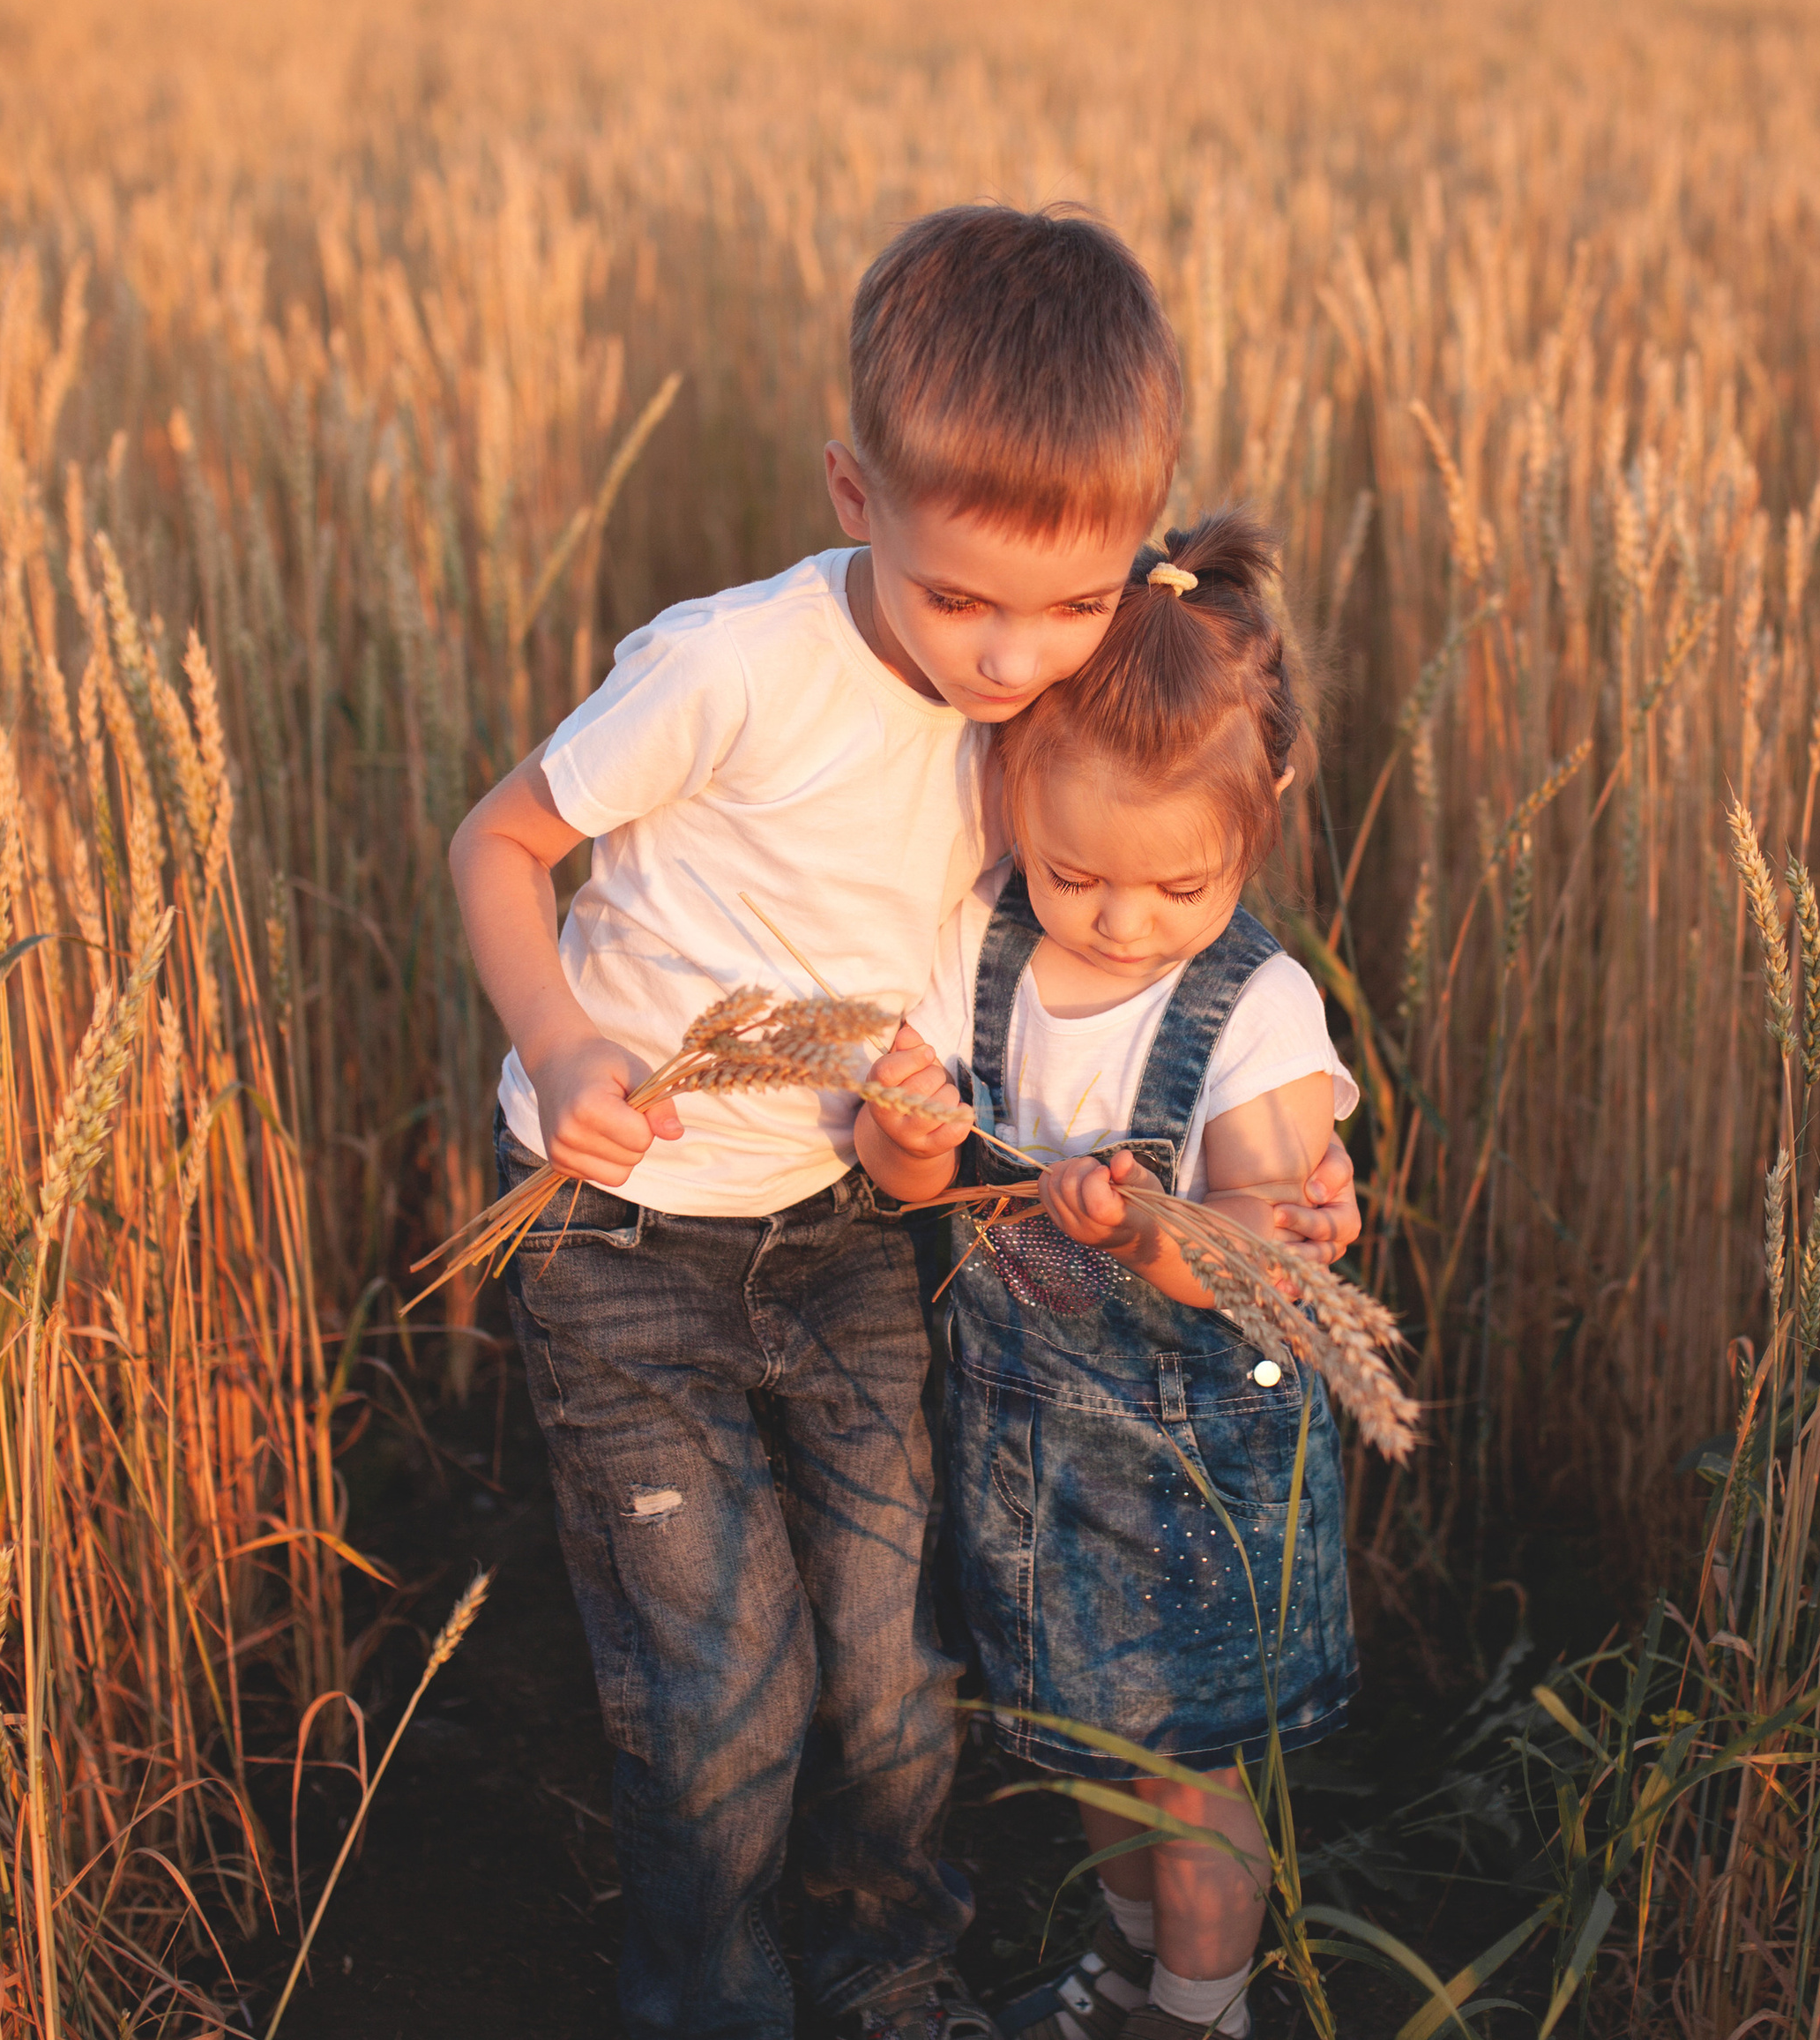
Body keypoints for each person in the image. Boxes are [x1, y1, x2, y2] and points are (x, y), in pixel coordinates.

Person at [447, 205, 1362, 2040]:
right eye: (963, 599)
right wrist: (553, 1042)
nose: (1015, 656)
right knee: (720, 1688)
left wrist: (1275, 1148)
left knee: (889, 1668)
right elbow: (499, 839)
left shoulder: (1048, 711)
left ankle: (889, 1986)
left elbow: (1135, 940)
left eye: (1073, 600)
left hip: (847, 1234)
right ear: (853, 490)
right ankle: (714, 2000)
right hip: (625, 1229)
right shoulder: (735, 668)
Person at [854, 510, 1361, 2040]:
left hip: (1192, 1467)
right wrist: (905, 1127)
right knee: (1085, 1742)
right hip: (1026, 1444)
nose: (1126, 923)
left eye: (1179, 891)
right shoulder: (973, 952)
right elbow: (910, 1182)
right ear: (1013, 797)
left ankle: (1201, 2011)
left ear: (1256, 824)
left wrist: (1147, 1231)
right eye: (1079, 877)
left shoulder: (1257, 1009)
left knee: (1186, 1763)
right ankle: (1130, 1963)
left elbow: (1271, 1267)